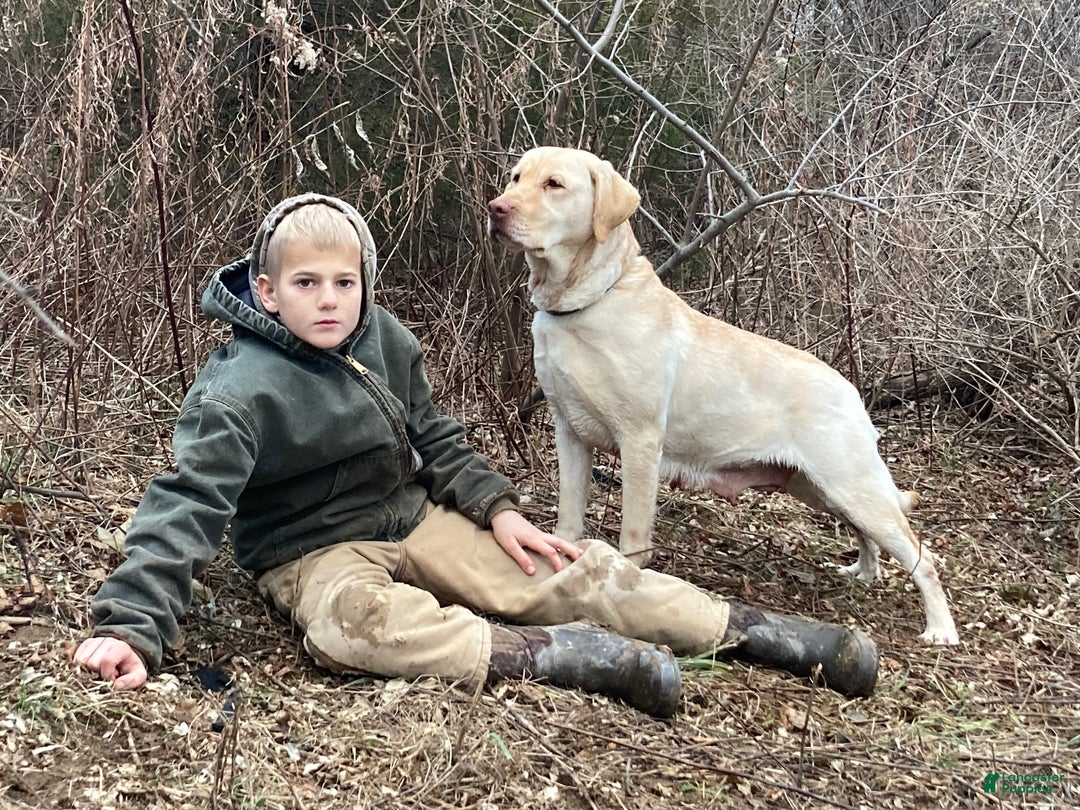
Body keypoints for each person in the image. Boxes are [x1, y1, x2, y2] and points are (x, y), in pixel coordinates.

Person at [73, 194, 879, 717]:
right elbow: (184, 504)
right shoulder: (238, 392)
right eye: (307, 283)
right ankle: (565, 658)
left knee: (562, 569)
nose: (329, 300)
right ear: (265, 291)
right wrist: (132, 629)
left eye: (345, 283)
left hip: (411, 517)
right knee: (353, 630)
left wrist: (497, 510)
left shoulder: (383, 339)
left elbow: (436, 436)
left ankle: (759, 634)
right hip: (308, 551)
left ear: (366, 285)